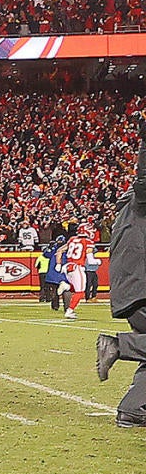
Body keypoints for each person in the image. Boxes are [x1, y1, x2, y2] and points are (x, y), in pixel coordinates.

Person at [98, 113, 146, 427]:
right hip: (142, 286)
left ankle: (133, 409)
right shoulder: (140, 205)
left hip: (135, 286)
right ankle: (117, 345)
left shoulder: (131, 211)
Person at [59, 225, 99, 320]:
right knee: (80, 291)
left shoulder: (72, 239)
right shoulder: (88, 242)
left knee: (77, 288)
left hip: (68, 266)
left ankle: (67, 286)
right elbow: (90, 260)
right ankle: (70, 311)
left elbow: (60, 250)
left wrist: (58, 263)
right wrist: (98, 261)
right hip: (77, 267)